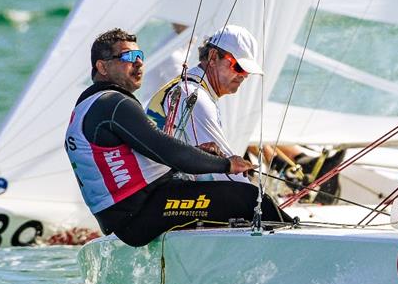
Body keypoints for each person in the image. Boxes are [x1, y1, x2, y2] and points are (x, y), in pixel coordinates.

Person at [64, 28, 289, 247]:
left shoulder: (92, 106)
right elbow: (168, 151)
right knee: (249, 199)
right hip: (142, 213)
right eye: (128, 57)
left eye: (140, 56)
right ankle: (294, 246)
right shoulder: (112, 104)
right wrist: (226, 164)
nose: (139, 62)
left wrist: (200, 153)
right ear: (102, 66)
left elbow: (144, 157)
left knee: (232, 200)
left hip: (138, 211)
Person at [146, 24, 344, 202]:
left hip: (160, 189)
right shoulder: (196, 97)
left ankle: (292, 165)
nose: (244, 76)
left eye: (247, 71)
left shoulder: (197, 88)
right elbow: (224, 172)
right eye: (238, 67)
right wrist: (264, 206)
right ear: (213, 57)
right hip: (154, 196)